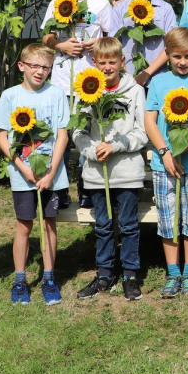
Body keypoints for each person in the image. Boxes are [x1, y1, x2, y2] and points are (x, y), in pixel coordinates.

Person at [0, 43, 70, 306]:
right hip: (22, 173)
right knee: (24, 225)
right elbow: (1, 134)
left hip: (51, 174)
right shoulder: (11, 96)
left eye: (45, 67)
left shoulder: (57, 94)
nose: (40, 71)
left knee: (49, 223)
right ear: (22, 66)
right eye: (35, 66)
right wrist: (22, 166)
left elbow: (61, 135)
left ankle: (48, 278)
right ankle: (20, 279)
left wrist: (50, 171)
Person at [72, 38, 148, 302]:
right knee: (103, 226)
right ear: (94, 62)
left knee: (128, 225)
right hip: (97, 174)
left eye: (112, 62)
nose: (106, 67)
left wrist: (115, 146)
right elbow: (78, 130)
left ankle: (130, 275)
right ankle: (104, 273)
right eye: (101, 62)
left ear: (122, 62)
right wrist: (93, 150)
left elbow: (142, 131)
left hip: (126, 172)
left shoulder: (135, 91)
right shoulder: (86, 90)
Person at [144, 28, 188, 298]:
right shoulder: (159, 83)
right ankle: (173, 272)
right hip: (164, 164)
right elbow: (150, 121)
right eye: (177, 56)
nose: (183, 62)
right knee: (167, 218)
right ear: (168, 56)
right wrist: (164, 151)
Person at [41, 0, 119, 94]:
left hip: (92, 77)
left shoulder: (102, 5)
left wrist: (99, 43)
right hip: (62, 79)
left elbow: (113, 39)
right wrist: (61, 46)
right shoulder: (56, 4)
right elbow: (46, 37)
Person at [111, 0, 178, 86]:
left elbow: (171, 46)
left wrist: (147, 72)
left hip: (157, 77)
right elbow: (114, 45)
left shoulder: (165, 9)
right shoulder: (120, 9)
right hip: (126, 77)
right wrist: (125, 73)